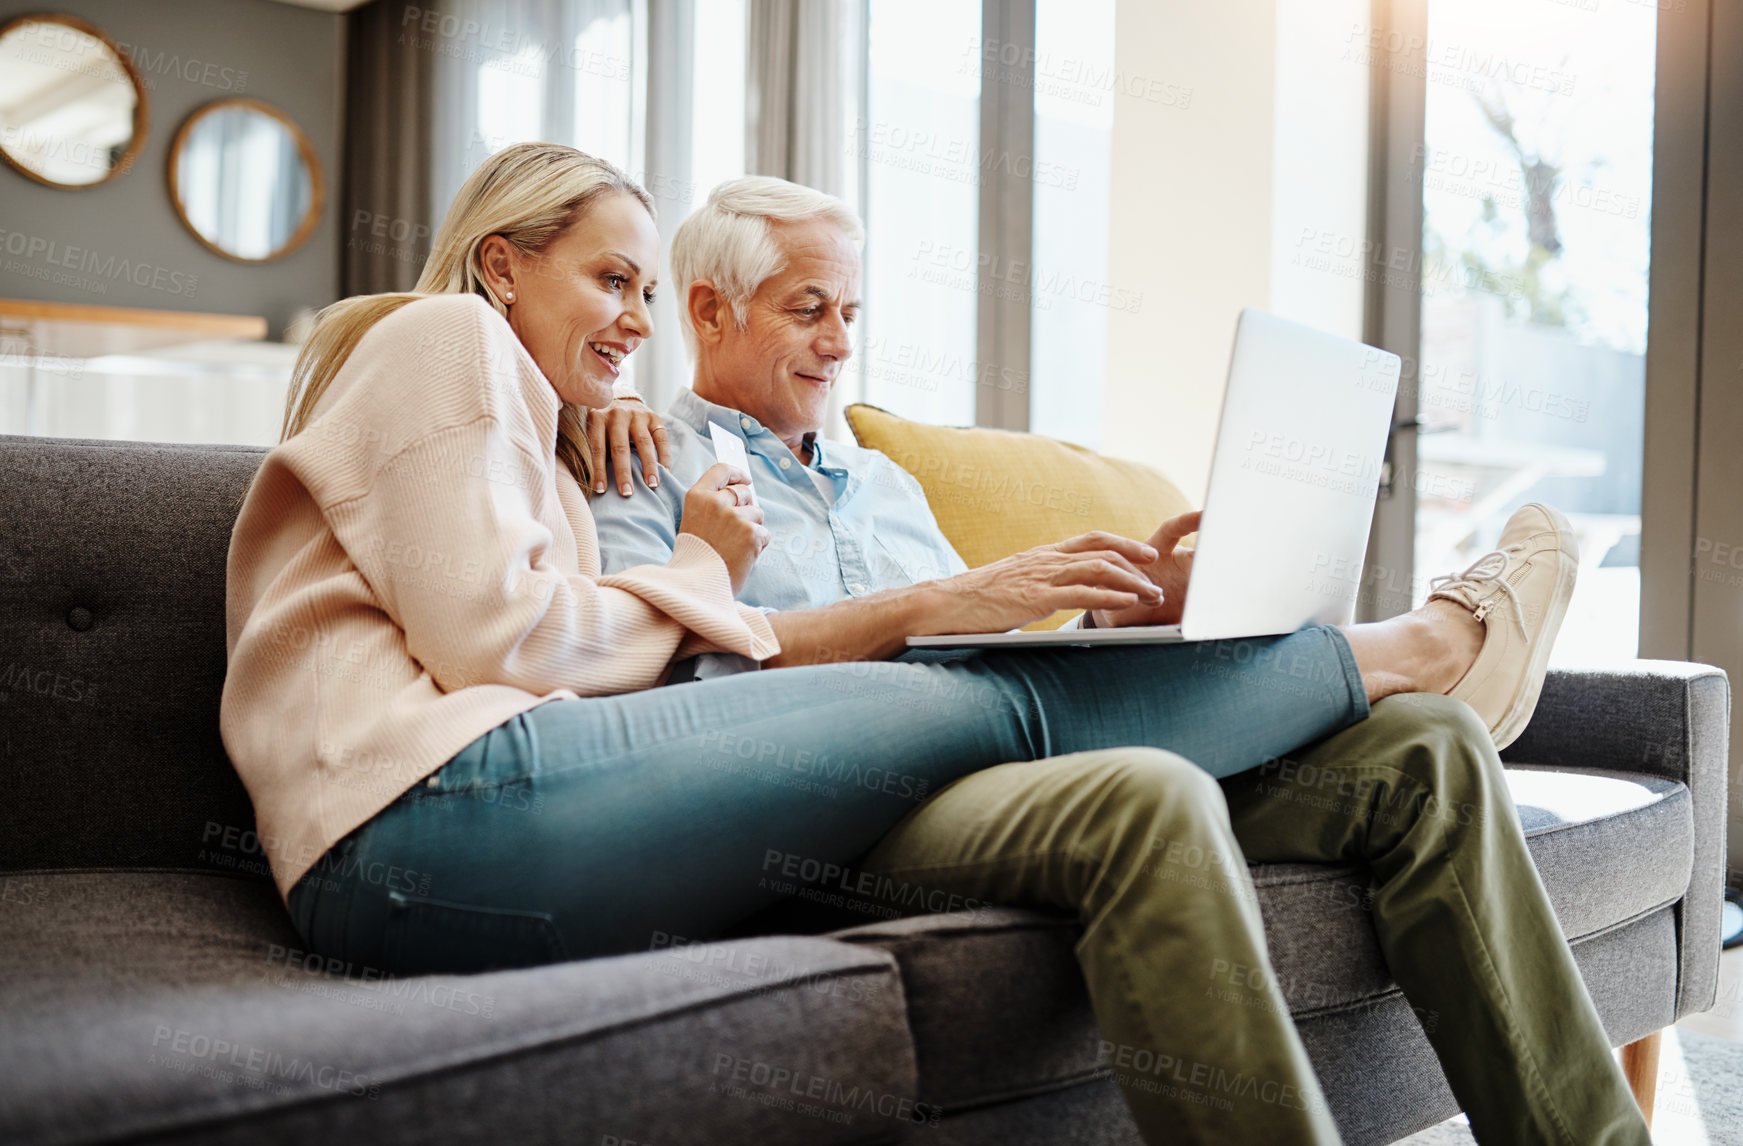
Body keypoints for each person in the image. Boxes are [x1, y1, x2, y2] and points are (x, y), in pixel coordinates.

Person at [219, 146, 1636, 1144]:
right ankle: (1414, 641)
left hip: (876, 731)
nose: (635, 321)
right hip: (740, 791)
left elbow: (960, 639)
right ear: (507, 268)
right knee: (1065, 738)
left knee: (1424, 754)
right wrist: (744, 562)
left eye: (851, 309)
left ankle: (1408, 678)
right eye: (617, 285)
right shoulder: (609, 439)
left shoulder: (855, 473)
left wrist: (1116, 620)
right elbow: (640, 677)